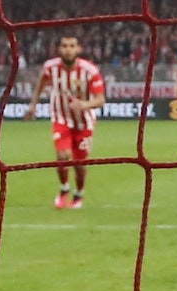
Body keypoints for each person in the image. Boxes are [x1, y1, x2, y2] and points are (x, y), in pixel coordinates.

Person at [24, 36, 106, 210]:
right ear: (59, 49)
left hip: (84, 122)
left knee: (79, 165)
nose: (68, 49)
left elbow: (100, 100)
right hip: (61, 117)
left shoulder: (90, 71)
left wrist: (84, 105)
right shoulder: (50, 67)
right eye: (64, 46)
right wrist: (33, 105)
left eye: (72, 46)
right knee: (63, 156)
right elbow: (41, 83)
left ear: (78, 49)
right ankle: (64, 188)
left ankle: (79, 193)